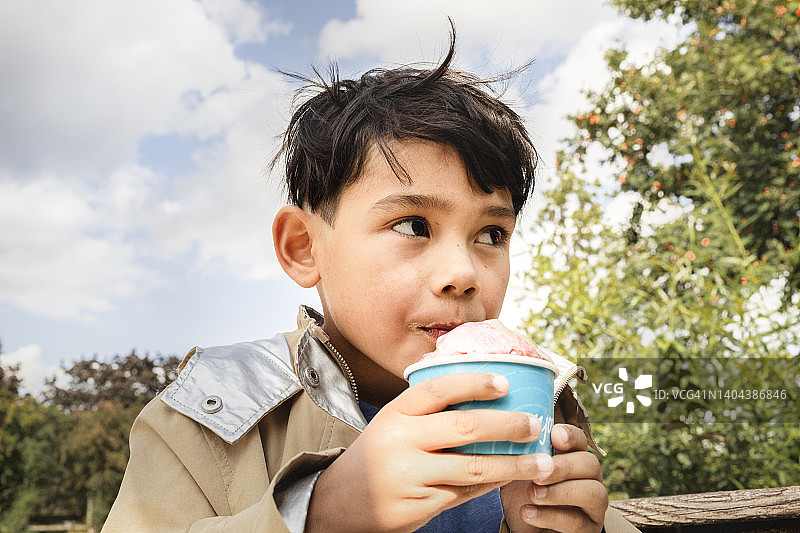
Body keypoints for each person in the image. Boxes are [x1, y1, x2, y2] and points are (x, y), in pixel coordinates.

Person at [103, 27, 640, 533]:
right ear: (304, 247)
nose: (462, 273)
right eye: (413, 225)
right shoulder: (206, 416)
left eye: (492, 234)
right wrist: (321, 513)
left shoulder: (545, 402)